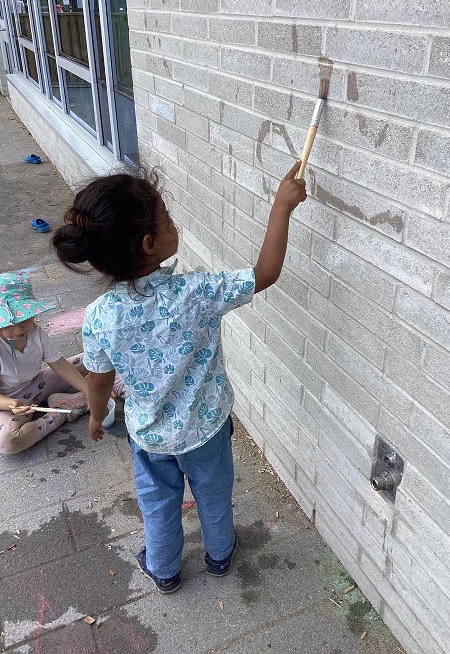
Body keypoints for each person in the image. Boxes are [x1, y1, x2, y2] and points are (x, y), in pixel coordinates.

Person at [52, 160, 307, 594]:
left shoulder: (99, 317)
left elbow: (98, 382)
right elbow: (265, 274)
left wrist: (98, 418)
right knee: (213, 496)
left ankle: (165, 571)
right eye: (166, 217)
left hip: (149, 438)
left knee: (157, 505)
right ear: (150, 243)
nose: (174, 222)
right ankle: (221, 557)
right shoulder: (197, 293)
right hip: (206, 430)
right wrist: (280, 209)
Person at [0, 272, 90, 454]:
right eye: (10, 323)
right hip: (12, 401)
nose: (19, 328)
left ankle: (79, 396)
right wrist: (12, 404)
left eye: (24, 318)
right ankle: (59, 414)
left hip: (39, 383)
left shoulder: (36, 333)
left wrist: (92, 391)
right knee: (9, 442)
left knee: (93, 359)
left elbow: (60, 365)